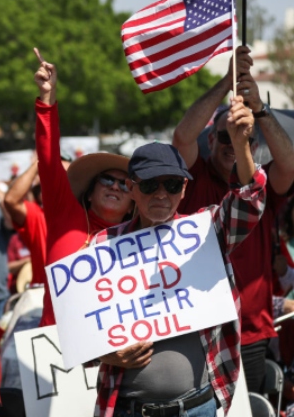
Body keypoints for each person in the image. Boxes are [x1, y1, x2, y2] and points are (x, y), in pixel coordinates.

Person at [91, 94, 265, 416]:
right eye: (150, 185)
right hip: (129, 408)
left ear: (184, 190)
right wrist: (105, 353)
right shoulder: (103, 246)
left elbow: (251, 200)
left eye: (171, 185)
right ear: (131, 188)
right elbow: (82, 332)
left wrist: (241, 144)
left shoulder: (207, 230)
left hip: (198, 406)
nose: (161, 194)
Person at [172, 45, 294, 393]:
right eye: (224, 135)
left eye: (243, 136)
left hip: (251, 332)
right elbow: (182, 137)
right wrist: (227, 81)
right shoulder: (192, 179)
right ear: (210, 141)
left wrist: (258, 109)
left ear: (254, 145)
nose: (232, 142)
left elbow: (289, 164)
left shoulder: (263, 184)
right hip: (198, 327)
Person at [33, 49, 134, 326]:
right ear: (89, 191)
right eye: (106, 179)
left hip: (115, 356)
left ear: (133, 204)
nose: (115, 186)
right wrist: (47, 100)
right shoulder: (64, 215)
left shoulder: (141, 238)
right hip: (55, 354)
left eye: (125, 184)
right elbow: (49, 157)